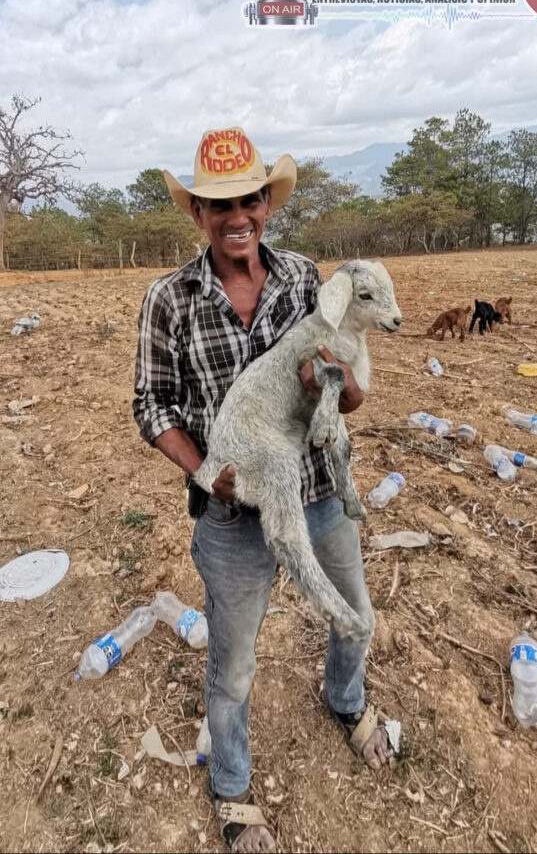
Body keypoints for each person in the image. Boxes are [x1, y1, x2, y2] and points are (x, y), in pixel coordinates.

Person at [133, 127, 394, 853]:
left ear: (266, 206)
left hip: (314, 490)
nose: (236, 214)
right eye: (219, 204)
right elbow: (151, 404)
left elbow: (348, 400)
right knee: (235, 660)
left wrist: (330, 390)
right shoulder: (170, 299)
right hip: (230, 508)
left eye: (248, 198)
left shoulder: (312, 281)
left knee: (357, 615)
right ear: (198, 215)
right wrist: (200, 468)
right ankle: (233, 786)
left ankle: (346, 703)